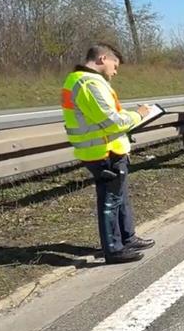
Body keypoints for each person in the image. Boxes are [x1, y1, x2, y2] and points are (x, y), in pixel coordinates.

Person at [61, 43, 155, 264]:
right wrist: (140, 115)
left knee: (119, 197)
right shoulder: (88, 83)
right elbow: (111, 121)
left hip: (107, 148)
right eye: (115, 64)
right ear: (103, 59)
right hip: (103, 151)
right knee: (110, 200)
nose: (116, 70)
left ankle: (127, 238)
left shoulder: (81, 80)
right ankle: (113, 249)